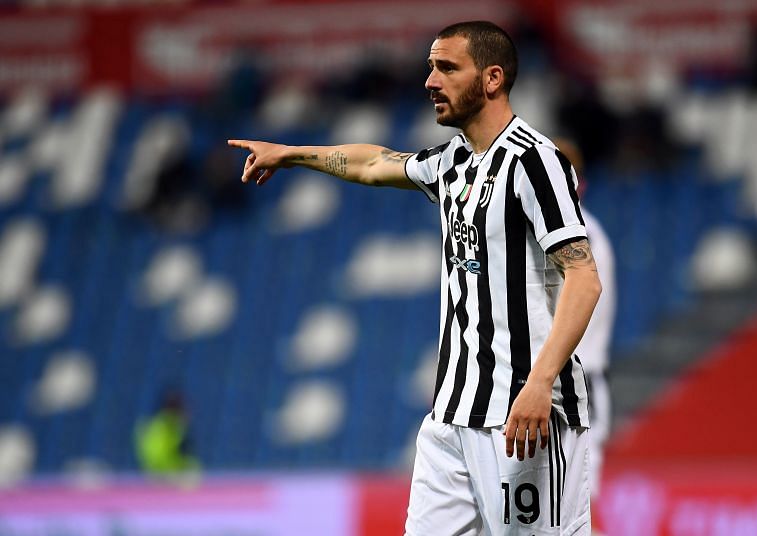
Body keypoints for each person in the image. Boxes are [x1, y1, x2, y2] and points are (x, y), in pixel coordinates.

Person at [229, 21, 601, 535]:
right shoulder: (452, 164)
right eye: (430, 67)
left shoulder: (536, 163)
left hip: (523, 414)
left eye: (447, 67)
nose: (430, 80)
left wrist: (540, 383)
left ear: (492, 79)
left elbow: (584, 277)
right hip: (451, 419)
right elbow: (374, 163)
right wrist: (292, 154)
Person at [555, 138, 617, 534]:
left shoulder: (579, 238)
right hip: (561, 383)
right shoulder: (570, 234)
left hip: (577, 384)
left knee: (577, 510)